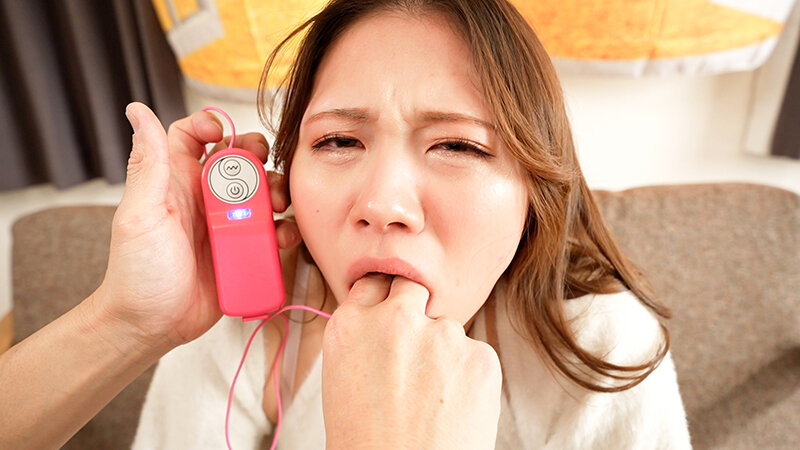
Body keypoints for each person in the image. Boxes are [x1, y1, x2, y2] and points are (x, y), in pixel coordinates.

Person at [0, 0, 691, 448]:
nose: (382, 203)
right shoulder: (244, 318)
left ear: (535, 191)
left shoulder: (602, 348)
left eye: (458, 146)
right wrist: (130, 320)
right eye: (337, 141)